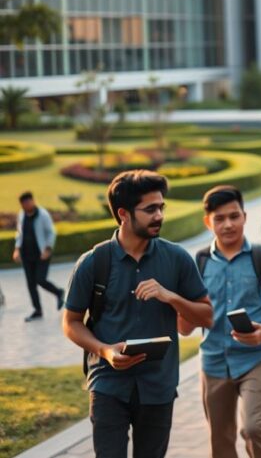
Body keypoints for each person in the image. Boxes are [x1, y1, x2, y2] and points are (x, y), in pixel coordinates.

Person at [62, 170, 213, 458]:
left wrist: (170, 297)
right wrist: (105, 351)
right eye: (150, 209)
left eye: (161, 207)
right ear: (124, 214)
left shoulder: (177, 258)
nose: (159, 215)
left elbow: (206, 316)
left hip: (159, 386)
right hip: (107, 385)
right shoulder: (94, 262)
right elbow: (70, 323)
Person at [183, 186, 261, 458]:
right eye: (219, 218)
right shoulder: (199, 263)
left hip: (257, 358)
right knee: (220, 440)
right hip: (213, 361)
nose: (228, 224)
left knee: (253, 426)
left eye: (234, 216)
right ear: (208, 222)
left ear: (245, 216)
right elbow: (186, 325)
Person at [14, 191, 62, 321]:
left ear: (33, 201)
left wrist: (47, 249)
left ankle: (59, 292)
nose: (26, 205)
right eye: (23, 203)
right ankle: (37, 310)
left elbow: (51, 233)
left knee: (40, 279)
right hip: (26, 255)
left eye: (28, 202)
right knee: (30, 283)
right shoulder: (21, 215)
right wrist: (17, 249)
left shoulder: (42, 215)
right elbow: (19, 234)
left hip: (42, 254)